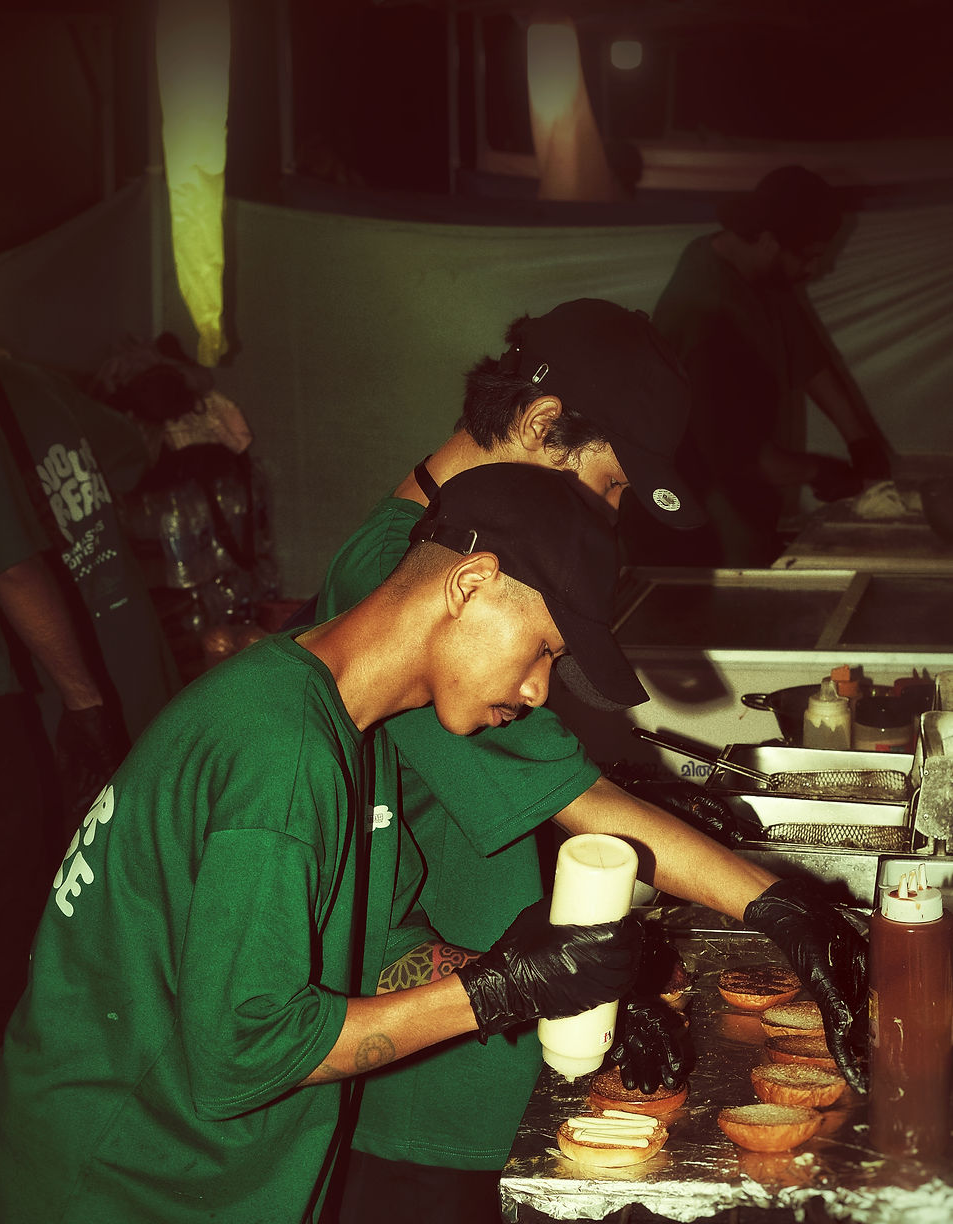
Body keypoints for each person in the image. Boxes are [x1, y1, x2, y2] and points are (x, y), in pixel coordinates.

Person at [299, 299, 869, 1224]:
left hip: (505, 1022)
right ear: (537, 423)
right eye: (607, 484)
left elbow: (524, 765)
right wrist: (779, 905)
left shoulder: (468, 550)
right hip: (439, 1081)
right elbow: (563, 791)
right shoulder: (407, 572)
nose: (609, 515)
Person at [0, 464, 648, 1224]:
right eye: (544, 651)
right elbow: (243, 1056)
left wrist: (528, 976)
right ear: (471, 585)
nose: (538, 692)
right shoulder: (282, 752)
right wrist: (501, 991)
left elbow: (378, 946)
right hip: (107, 1186)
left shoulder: (341, 720)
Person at [0, 353, 181, 1076]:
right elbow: (11, 567)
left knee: (77, 899)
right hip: (70, 698)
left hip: (67, 698)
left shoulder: (23, 385)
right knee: (92, 896)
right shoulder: (32, 380)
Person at [645, 164, 892, 567]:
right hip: (707, 530)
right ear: (768, 241)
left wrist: (858, 438)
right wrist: (819, 471)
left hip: (750, 512)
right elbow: (734, 455)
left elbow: (807, 356)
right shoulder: (705, 315)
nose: (815, 271)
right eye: (809, 256)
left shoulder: (756, 269)